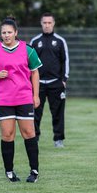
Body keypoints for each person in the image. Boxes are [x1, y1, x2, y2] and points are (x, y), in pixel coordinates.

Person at [0, 17, 42, 183]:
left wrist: (35, 95)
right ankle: (9, 172)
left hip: (24, 97)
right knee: (8, 135)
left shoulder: (28, 50)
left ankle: (34, 171)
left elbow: (35, 72)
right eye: (3, 33)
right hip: (3, 99)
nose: (6, 35)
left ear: (16, 33)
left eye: (9, 32)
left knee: (29, 133)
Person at [30, 12, 69, 148]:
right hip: (38, 84)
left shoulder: (60, 41)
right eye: (44, 23)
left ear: (53, 24)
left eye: (49, 23)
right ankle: (34, 138)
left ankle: (58, 140)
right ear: (41, 24)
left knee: (58, 113)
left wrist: (64, 79)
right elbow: (29, 63)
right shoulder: (35, 41)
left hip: (56, 83)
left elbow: (65, 61)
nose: (47, 25)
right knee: (35, 113)